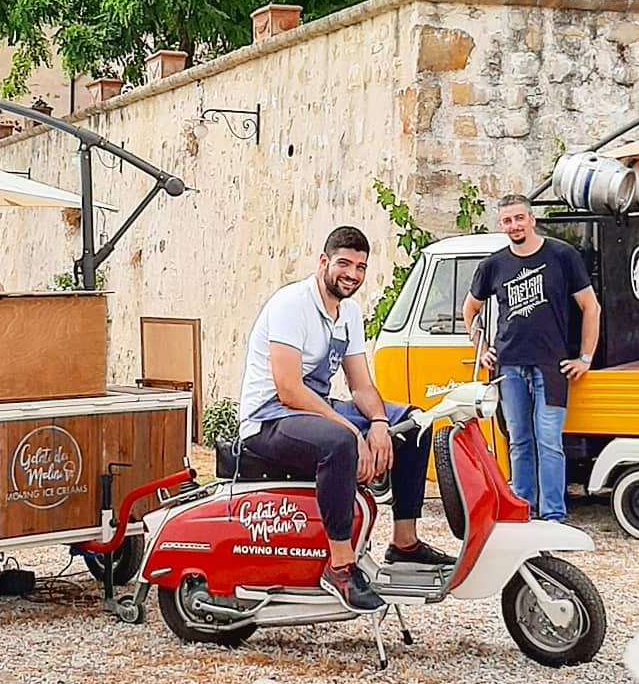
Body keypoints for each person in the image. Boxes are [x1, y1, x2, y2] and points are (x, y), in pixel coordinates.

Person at [238, 225, 454, 615]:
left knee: (415, 423)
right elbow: (287, 390)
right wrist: (351, 431)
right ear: (324, 262)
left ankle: (404, 543)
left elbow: (361, 385)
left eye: (360, 267)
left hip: (312, 409)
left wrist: (378, 423)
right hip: (268, 418)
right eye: (344, 263)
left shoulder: (348, 313)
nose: (352, 274)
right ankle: (339, 567)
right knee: (338, 443)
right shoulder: (292, 304)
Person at [462, 195, 601, 523]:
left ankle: (553, 516)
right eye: (507, 221)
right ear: (501, 225)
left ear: (532, 219)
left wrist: (585, 358)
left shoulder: (562, 256)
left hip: (551, 366)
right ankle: (523, 511)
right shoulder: (493, 265)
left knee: (549, 441)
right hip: (508, 366)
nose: (514, 226)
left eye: (519, 219)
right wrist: (481, 350)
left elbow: (590, 307)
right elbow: (470, 309)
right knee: (519, 441)